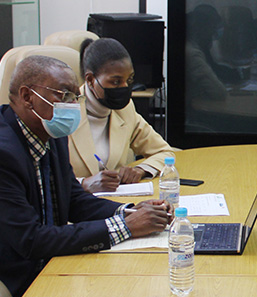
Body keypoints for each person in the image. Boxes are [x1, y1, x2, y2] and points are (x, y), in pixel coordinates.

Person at [0, 55, 171, 297]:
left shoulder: (50, 134)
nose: (72, 105)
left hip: (42, 266)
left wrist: (129, 212)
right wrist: (126, 227)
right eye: (63, 95)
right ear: (27, 97)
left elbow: (73, 200)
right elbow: (31, 240)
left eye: (74, 97)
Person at [70, 37, 180, 194]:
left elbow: (165, 152)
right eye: (115, 82)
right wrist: (83, 183)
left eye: (129, 80)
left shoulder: (125, 109)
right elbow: (41, 177)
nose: (124, 87)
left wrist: (141, 169)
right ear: (90, 79)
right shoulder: (65, 111)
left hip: (117, 204)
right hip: (74, 209)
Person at [186, 5, 230, 102]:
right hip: (198, 110)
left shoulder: (193, 46)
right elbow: (219, 93)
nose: (213, 32)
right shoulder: (192, 53)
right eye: (211, 28)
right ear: (200, 29)